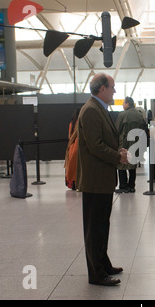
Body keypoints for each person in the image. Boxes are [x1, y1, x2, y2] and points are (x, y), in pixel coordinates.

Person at [76, 72, 128, 286]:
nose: (115, 91)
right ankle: (96, 274)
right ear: (102, 89)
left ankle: (103, 263)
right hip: (94, 181)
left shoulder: (99, 109)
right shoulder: (90, 111)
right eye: (112, 87)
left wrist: (118, 150)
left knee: (101, 226)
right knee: (94, 228)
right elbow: (95, 145)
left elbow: (103, 140)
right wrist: (118, 156)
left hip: (102, 180)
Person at [115, 96, 147, 193]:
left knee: (122, 164)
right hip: (136, 143)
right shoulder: (139, 115)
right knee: (133, 165)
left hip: (124, 143)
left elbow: (117, 129)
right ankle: (132, 186)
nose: (122, 105)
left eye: (123, 103)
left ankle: (123, 186)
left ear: (127, 103)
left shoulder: (122, 114)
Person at [64, 108, 80, 190]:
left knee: (71, 166)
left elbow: (69, 136)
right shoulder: (80, 124)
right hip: (77, 147)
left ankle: (71, 184)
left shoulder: (72, 124)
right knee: (77, 168)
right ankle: (77, 184)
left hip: (71, 147)